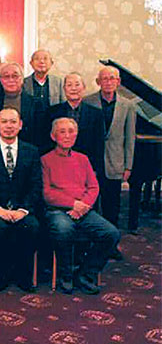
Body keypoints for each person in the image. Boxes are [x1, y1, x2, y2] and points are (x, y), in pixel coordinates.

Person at [42, 117, 120, 294]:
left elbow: (93, 187)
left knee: (111, 234)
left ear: (76, 135)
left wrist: (83, 205)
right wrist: (73, 204)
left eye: (71, 132)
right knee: (64, 229)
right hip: (57, 210)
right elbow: (46, 193)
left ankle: (85, 274)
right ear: (53, 136)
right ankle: (66, 275)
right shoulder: (45, 160)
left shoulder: (83, 159)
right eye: (62, 132)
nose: (67, 136)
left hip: (83, 209)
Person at [0, 108, 42, 292]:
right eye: (4, 122)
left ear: (20, 125)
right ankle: (0, 276)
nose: (9, 126)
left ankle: (24, 277)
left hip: (23, 209)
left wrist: (23, 210)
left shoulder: (31, 151)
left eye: (13, 122)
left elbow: (36, 186)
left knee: (31, 227)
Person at [84, 66, 136, 259]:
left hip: (115, 162)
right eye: (104, 78)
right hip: (92, 162)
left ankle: (111, 246)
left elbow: (130, 137)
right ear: (98, 82)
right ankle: (89, 244)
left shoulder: (128, 105)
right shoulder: (87, 101)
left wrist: (128, 165)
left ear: (118, 82)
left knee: (112, 206)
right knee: (90, 206)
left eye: (112, 78)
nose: (108, 82)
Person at [48, 72, 105, 173]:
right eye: (69, 85)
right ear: (64, 89)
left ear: (84, 87)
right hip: (58, 166)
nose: (73, 88)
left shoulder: (96, 114)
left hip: (86, 166)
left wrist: (95, 170)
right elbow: (48, 142)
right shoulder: (52, 112)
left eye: (77, 84)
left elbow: (99, 145)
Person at [0, 62, 48, 152]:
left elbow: (40, 134)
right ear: (0, 80)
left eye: (15, 76)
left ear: (22, 79)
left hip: (28, 152)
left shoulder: (36, 104)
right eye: (6, 76)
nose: (11, 80)